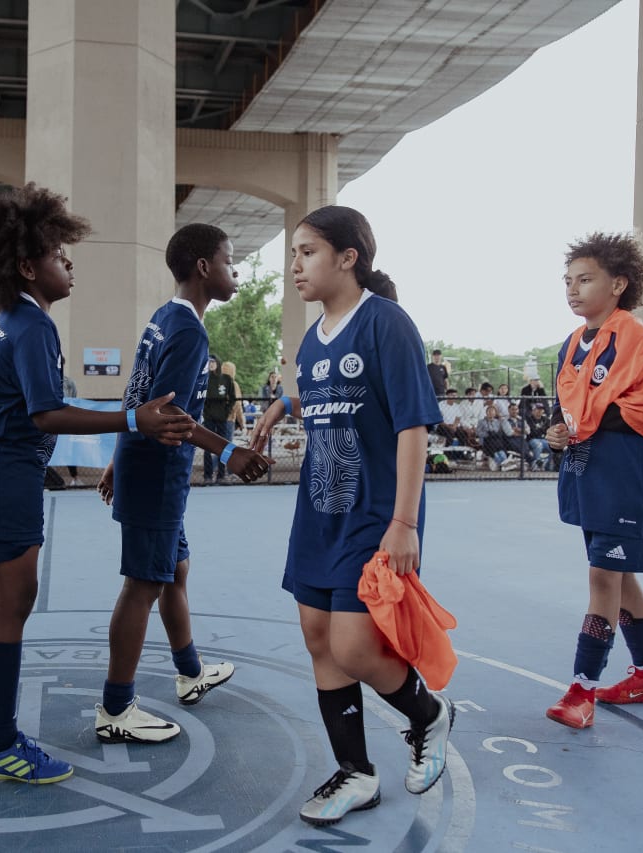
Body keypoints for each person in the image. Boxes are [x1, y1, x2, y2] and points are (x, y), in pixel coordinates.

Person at [0, 184, 194, 785]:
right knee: (13, 601)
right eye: (61, 256)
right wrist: (132, 417)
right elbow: (45, 413)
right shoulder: (33, 326)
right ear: (26, 266)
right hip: (1, 467)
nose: (70, 265)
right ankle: (3, 746)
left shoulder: (14, 320)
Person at [248, 205, 453, 828]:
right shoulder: (313, 338)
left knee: (355, 643)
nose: (294, 268)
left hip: (373, 513)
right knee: (318, 639)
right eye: (292, 255)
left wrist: (405, 522)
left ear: (347, 258)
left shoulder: (387, 324)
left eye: (306, 252)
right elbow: (319, 391)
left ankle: (428, 716)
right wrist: (280, 406)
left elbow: (413, 424)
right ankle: (357, 773)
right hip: (318, 511)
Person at [93, 224, 271, 744]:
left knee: (175, 569)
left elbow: (137, 394)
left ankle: (190, 673)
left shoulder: (163, 317)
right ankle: (115, 709)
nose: (234, 271)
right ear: (202, 267)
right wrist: (229, 450)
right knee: (143, 585)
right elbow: (165, 411)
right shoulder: (190, 330)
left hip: (145, 466)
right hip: (157, 473)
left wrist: (116, 456)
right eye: (228, 260)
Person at [543, 232, 643, 730]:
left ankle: (583, 688)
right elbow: (573, 410)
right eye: (568, 281)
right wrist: (559, 432)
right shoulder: (573, 345)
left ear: (619, 283)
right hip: (588, 467)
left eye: (585, 279)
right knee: (617, 574)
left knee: (603, 576)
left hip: (626, 469)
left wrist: (582, 424)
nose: (573, 290)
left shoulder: (634, 336)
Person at [201, 355, 236, 484]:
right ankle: (207, 476)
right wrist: (206, 412)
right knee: (208, 447)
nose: (211, 364)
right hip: (209, 419)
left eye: (213, 362)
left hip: (222, 418)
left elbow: (232, 398)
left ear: (218, 363)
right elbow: (200, 397)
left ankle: (221, 475)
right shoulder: (204, 379)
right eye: (209, 362)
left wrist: (226, 411)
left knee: (223, 446)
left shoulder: (226, 379)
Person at [61, 359, 80, 486]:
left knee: (69, 449)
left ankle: (75, 478)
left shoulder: (69, 382)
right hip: (50, 420)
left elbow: (74, 399)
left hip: (65, 420)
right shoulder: (46, 380)